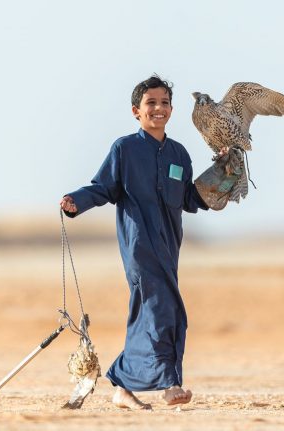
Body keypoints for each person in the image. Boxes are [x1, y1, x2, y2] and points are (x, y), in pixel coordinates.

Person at [60, 75, 210, 410]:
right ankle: (170, 384)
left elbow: (189, 198)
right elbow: (103, 187)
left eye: (165, 103)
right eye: (151, 103)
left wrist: (222, 178)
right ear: (136, 112)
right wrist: (77, 202)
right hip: (139, 246)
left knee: (152, 312)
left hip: (170, 246)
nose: (159, 108)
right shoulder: (125, 149)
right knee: (163, 311)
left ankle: (122, 385)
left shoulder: (179, 154)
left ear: (172, 109)